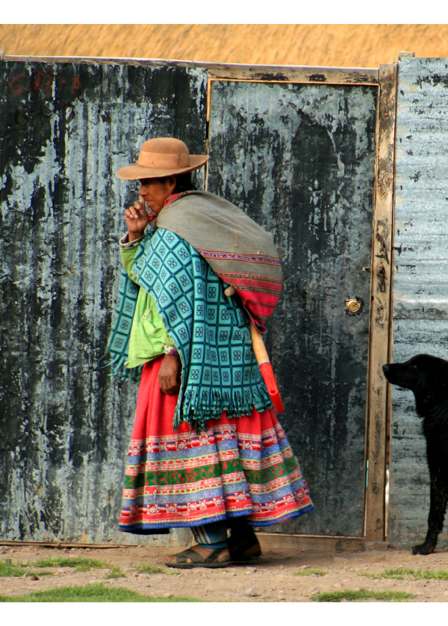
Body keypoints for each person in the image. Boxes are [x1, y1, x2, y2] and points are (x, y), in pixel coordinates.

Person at [102, 137, 313, 568]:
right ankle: (241, 539)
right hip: (223, 355)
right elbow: (166, 281)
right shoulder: (196, 217)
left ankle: (211, 540)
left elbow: (176, 299)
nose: (140, 191)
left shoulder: (177, 226)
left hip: (187, 358)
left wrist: (170, 354)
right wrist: (136, 236)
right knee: (227, 437)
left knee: (192, 439)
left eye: (148, 183)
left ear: (172, 180)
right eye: (140, 183)